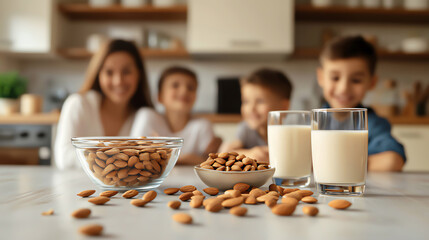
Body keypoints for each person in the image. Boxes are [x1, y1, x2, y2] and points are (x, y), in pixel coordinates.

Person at [55, 39, 154, 169]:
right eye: (109, 72)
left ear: (139, 74)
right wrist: (118, 158)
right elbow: (64, 158)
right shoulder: (79, 104)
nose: (118, 81)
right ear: (98, 75)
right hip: (77, 187)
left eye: (126, 72)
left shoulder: (144, 116)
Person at [317, 35, 406, 172]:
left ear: (372, 82)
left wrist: (335, 164)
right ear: (321, 77)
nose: (343, 89)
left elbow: (392, 161)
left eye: (356, 80)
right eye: (335, 78)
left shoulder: (373, 124)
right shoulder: (311, 122)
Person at [131, 66, 221, 165]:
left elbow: (210, 163)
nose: (184, 91)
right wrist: (188, 159)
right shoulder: (147, 116)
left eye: (191, 88)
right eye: (175, 85)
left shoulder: (203, 125)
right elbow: (135, 155)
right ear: (159, 96)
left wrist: (163, 157)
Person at [219, 68, 292, 163]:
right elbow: (225, 152)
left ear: (284, 106)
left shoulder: (291, 131)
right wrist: (249, 154)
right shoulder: (245, 130)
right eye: (246, 101)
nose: (251, 108)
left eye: (260, 101)